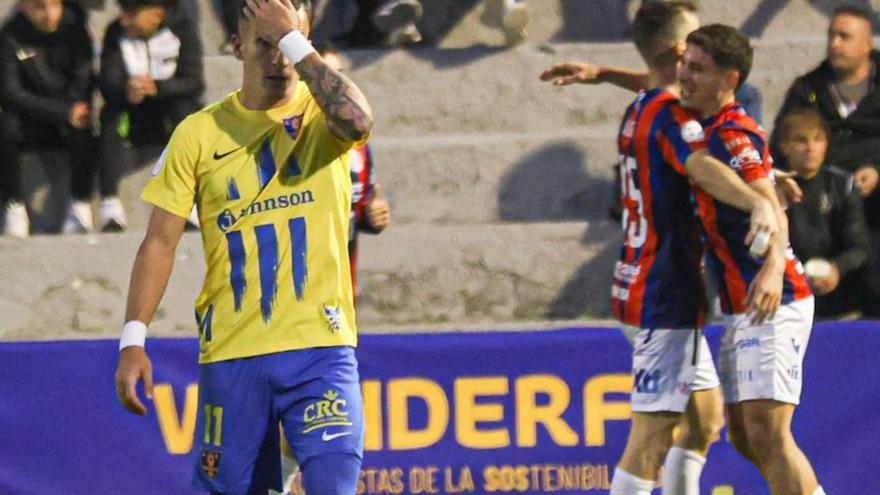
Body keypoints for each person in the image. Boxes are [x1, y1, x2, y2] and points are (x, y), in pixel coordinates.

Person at [113, 0, 374, 492]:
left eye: (290, 45)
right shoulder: (198, 133)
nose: (280, 59)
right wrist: (133, 339)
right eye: (266, 44)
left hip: (320, 347)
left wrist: (294, 39)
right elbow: (159, 242)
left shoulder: (323, 116)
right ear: (236, 46)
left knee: (335, 484)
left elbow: (358, 122)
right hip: (233, 353)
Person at [545, 3, 780, 494]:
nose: (699, 52)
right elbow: (701, 167)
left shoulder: (645, 106)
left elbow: (657, 88)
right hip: (661, 291)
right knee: (652, 434)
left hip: (646, 281)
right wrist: (757, 201)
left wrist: (603, 74)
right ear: (679, 52)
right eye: (693, 46)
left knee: (704, 417)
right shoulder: (673, 118)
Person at [678, 24, 825, 495]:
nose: (684, 74)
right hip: (742, 300)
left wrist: (772, 268)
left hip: (771, 296)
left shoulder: (733, 135)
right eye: (684, 62)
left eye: (697, 68)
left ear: (729, 78)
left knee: (769, 432)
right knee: (744, 434)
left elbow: (767, 202)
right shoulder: (713, 130)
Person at [772, 6, 880, 245]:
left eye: (844, 37)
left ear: (867, 44)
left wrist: (876, 170)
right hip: (821, 210)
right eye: (831, 35)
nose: (834, 43)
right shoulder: (807, 89)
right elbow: (780, 141)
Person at [96, 0, 204, 231]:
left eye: (132, 13)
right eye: (123, 12)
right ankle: (110, 206)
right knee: (111, 117)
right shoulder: (115, 32)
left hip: (169, 115)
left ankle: (189, 202)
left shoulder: (183, 29)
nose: (124, 20)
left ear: (157, 13)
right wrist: (127, 90)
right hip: (133, 117)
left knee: (186, 114)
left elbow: (193, 81)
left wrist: (157, 88)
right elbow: (107, 82)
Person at [0, 0, 95, 237]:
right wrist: (59, 112)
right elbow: (10, 92)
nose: (49, 14)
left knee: (85, 124)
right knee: (5, 127)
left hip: (68, 114)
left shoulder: (76, 31)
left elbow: (83, 80)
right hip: (30, 116)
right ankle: (14, 206)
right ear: (24, 7)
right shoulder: (11, 35)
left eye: (54, 5)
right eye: (39, 7)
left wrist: (69, 110)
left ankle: (80, 204)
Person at [777, 109, 879, 319]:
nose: (810, 148)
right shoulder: (773, 188)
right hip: (788, 290)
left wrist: (836, 269)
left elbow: (860, 246)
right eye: (801, 141)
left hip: (841, 290)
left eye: (817, 140)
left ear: (826, 143)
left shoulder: (842, 185)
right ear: (784, 146)